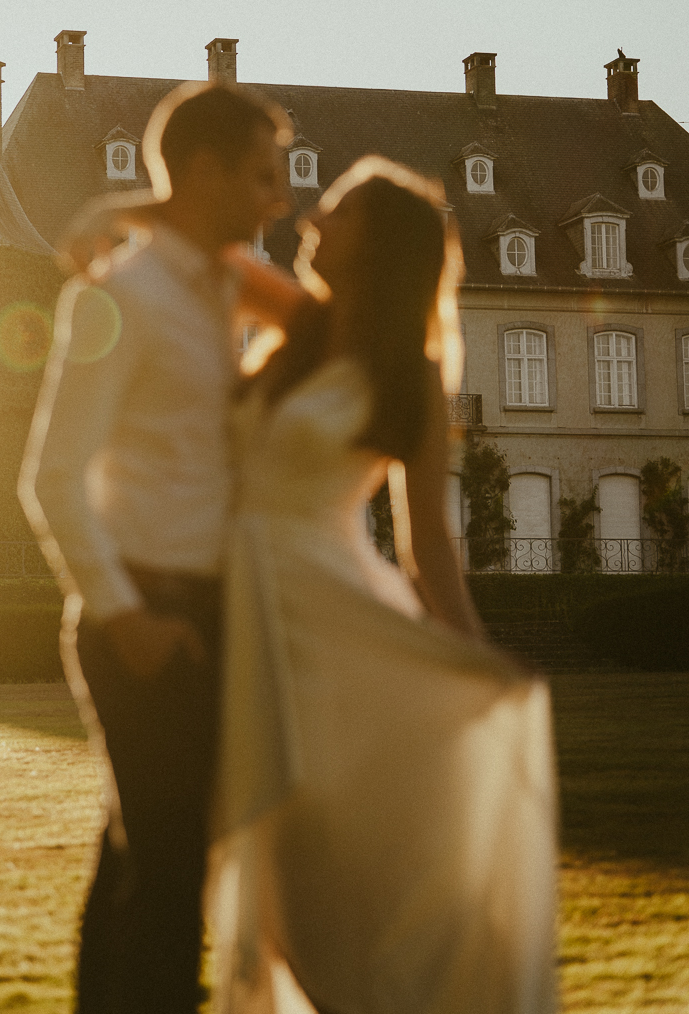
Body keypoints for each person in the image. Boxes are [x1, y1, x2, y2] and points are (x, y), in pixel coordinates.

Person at [208, 157, 559, 1014]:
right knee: (271, 869)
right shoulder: (300, 328)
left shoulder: (410, 373)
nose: (309, 218)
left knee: (320, 884)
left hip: (329, 626)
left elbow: (427, 539)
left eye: (336, 208)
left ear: (380, 245)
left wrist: (475, 657)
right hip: (241, 607)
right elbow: (200, 253)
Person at [19, 80, 293, 1014]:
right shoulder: (120, 296)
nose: (279, 200)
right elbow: (50, 475)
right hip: (145, 608)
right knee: (165, 875)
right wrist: (126, 618)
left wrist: (124, 205)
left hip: (209, 611)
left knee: (148, 862)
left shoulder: (219, 282)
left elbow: (327, 324)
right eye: (264, 175)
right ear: (208, 170)